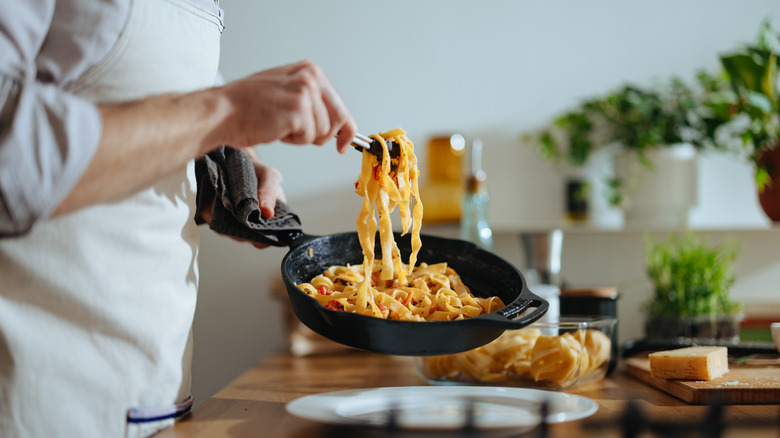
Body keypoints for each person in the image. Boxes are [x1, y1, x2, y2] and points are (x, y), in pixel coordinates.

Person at [0, 0, 357, 436]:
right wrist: (226, 112)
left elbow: (154, 124)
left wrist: (226, 177)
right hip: (37, 397)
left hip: (155, 396)